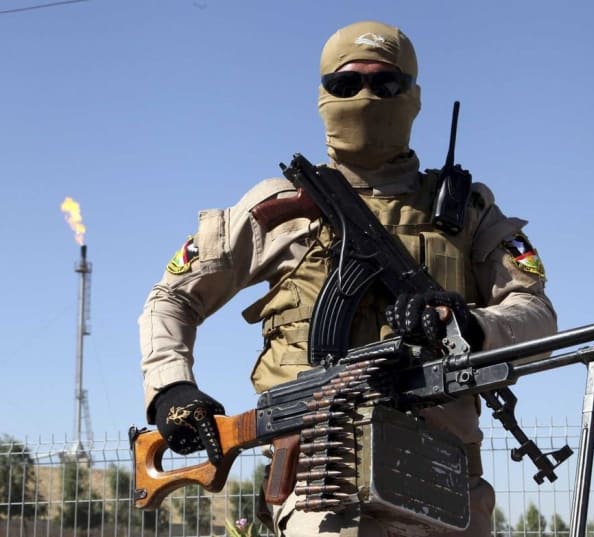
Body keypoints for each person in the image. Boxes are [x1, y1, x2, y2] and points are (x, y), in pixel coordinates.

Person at [139, 20, 557, 537]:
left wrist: (468, 325)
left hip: (446, 483)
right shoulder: (283, 206)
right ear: (323, 95)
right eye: (346, 84)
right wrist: (171, 388)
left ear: (414, 97)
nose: (366, 96)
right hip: (324, 482)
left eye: (386, 84)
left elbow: (538, 318)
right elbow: (171, 300)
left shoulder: (467, 212)